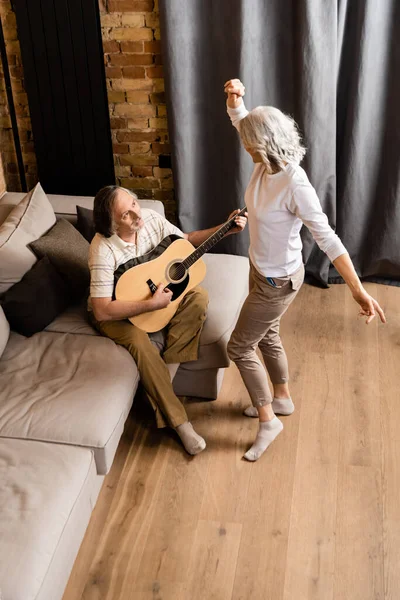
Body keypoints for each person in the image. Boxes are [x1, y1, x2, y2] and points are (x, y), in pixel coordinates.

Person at [224, 78, 386, 462]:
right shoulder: (263, 162)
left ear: (263, 144)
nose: (244, 147)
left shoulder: (295, 183)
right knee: (268, 335)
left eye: (249, 143)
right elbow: (242, 121)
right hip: (260, 268)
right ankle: (281, 399)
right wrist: (235, 100)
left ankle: (268, 421)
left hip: (278, 281)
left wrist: (357, 290)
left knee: (239, 346)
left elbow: (327, 238)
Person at [88, 185, 247, 456]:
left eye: (135, 204)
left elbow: (186, 239)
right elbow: (102, 310)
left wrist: (226, 228)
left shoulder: (148, 218)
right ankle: (179, 421)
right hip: (115, 310)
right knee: (140, 342)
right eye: (126, 214)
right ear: (112, 224)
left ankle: (162, 384)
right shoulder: (102, 250)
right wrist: (150, 304)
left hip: (154, 295)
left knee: (198, 297)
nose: (136, 215)